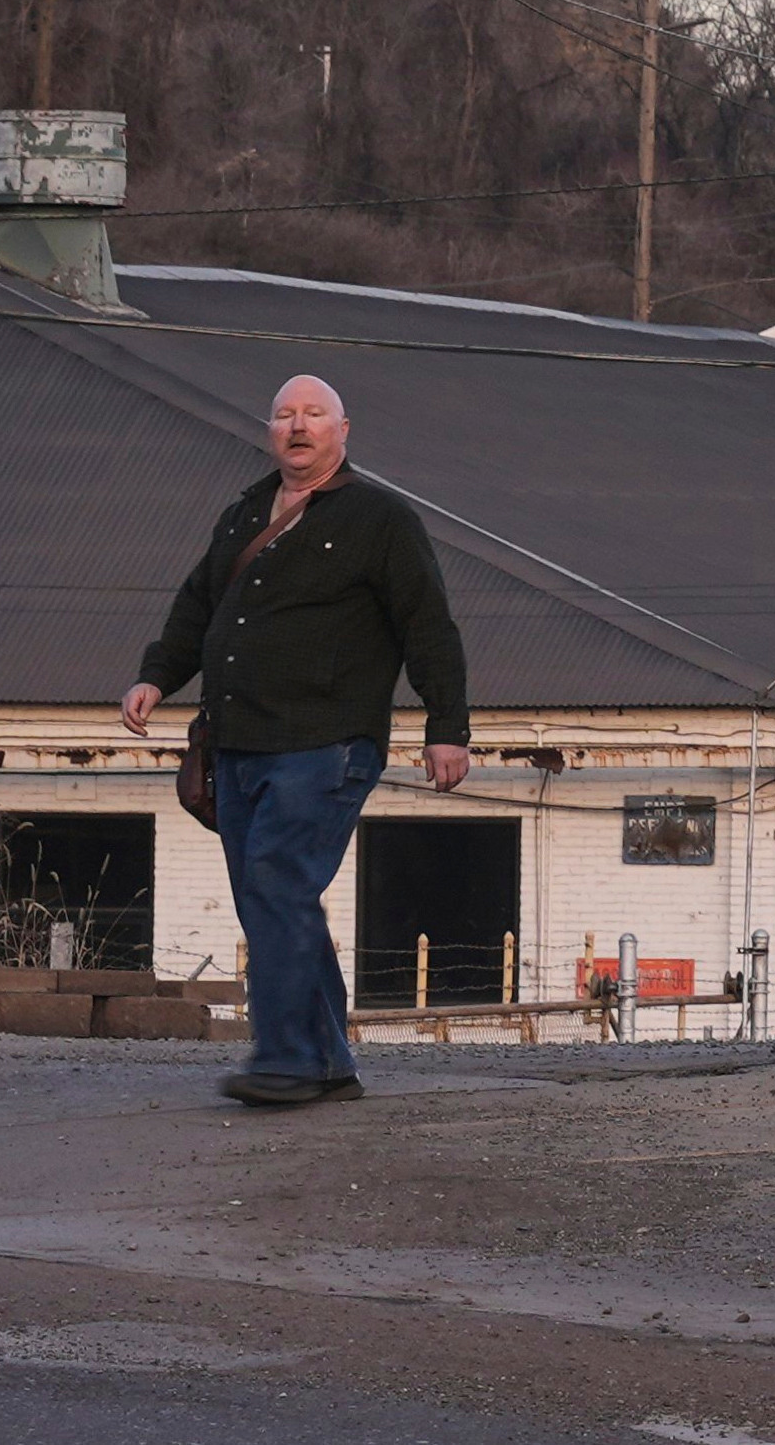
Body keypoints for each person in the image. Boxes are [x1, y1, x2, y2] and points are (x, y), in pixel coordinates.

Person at [120, 372, 471, 1108]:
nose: (298, 426)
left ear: (345, 430)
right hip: (238, 741)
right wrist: (158, 675)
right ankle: (326, 1058)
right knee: (269, 899)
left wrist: (447, 730)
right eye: (285, 415)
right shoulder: (245, 511)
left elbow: (428, 626)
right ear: (269, 429)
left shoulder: (380, 518)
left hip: (326, 743)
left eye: (314, 414)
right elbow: (199, 602)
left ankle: (284, 1058)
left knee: (279, 884)